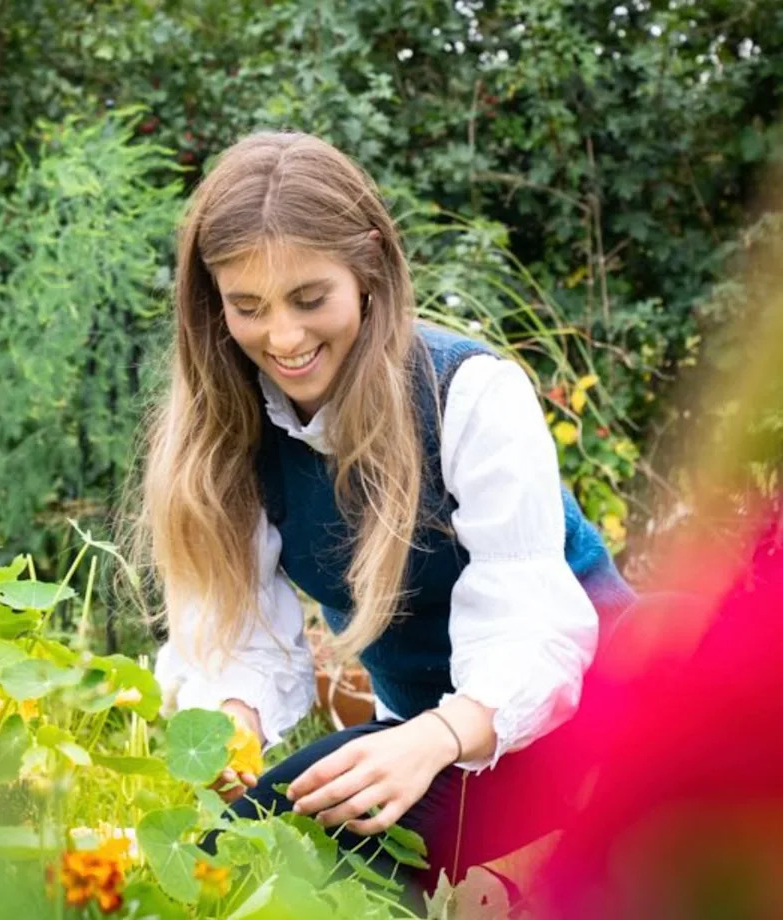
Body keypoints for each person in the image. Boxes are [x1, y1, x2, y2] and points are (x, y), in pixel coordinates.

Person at [131, 131, 635, 902]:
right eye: (247, 307)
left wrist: (430, 738)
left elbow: (535, 642)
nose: (285, 338)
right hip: (421, 737)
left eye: (310, 299)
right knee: (244, 842)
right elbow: (244, 638)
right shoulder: (230, 434)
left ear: (366, 266)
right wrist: (231, 730)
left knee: (324, 838)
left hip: (588, 715)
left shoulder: (468, 393)